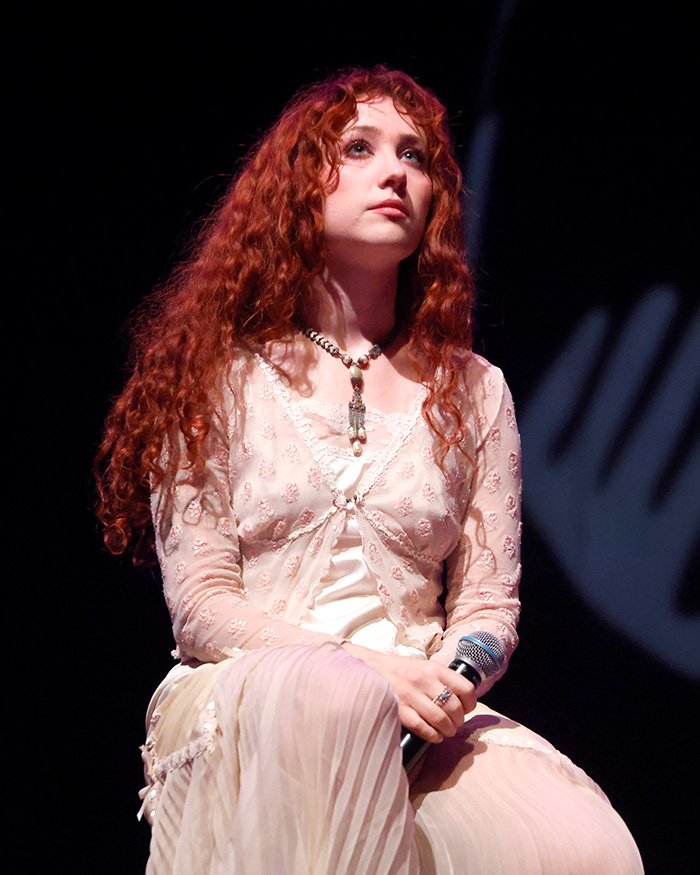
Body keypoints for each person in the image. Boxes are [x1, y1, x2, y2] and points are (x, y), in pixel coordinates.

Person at [96, 66, 644, 874]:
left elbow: (488, 605)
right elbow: (203, 608)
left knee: (583, 846)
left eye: (416, 157)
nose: (396, 172)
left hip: (422, 706)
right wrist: (365, 674)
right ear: (297, 187)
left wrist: (451, 677)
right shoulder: (213, 375)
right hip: (249, 691)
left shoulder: (474, 390)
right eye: (359, 148)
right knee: (333, 702)